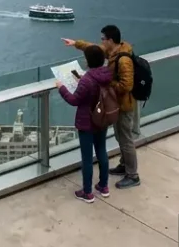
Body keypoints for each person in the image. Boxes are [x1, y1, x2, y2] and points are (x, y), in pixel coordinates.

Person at [63, 24, 141, 188]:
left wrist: (107, 85)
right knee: (120, 136)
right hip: (115, 103)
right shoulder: (113, 52)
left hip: (124, 105)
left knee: (125, 139)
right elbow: (94, 49)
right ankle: (124, 165)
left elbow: (126, 85)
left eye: (103, 39)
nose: (101, 41)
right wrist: (75, 43)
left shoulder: (123, 59)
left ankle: (133, 175)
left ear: (110, 40)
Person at [57, 45, 113, 203]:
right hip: (102, 118)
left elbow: (74, 100)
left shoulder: (87, 80)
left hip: (87, 122)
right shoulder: (107, 74)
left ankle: (87, 192)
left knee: (87, 158)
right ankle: (103, 186)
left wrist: (61, 88)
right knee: (102, 150)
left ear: (88, 61)